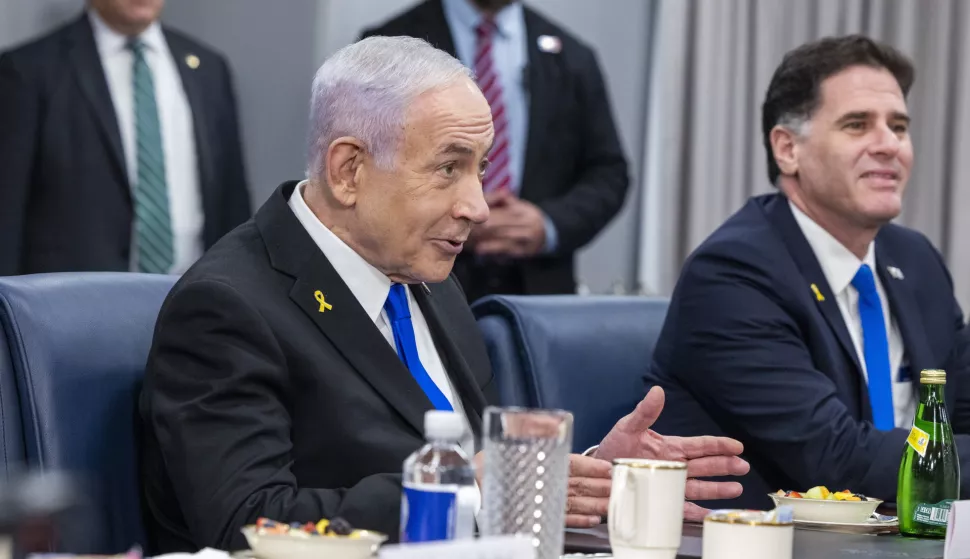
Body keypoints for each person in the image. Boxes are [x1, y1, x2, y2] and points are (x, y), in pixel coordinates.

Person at [139, 36, 748, 553]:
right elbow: (246, 524)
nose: (477, 207)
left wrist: (572, 474)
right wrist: (463, 489)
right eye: (448, 168)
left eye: (479, 170)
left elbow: (482, 474)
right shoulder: (228, 307)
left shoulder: (432, 284)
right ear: (349, 170)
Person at [645, 34, 970, 510]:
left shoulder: (916, 260)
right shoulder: (733, 275)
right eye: (858, 125)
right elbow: (836, 458)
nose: (888, 145)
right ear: (787, 149)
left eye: (899, 127)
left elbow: (962, 417)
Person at [361, 0, 629, 302]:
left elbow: (609, 173)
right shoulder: (390, 47)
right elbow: (371, 168)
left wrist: (548, 224)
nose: (481, 211)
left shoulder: (571, 55)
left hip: (538, 292)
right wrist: (447, 217)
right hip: (420, 290)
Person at [0, 0, 250, 276]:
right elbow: (7, 210)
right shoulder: (28, 70)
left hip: (193, 295)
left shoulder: (208, 68)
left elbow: (232, 200)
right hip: (75, 300)